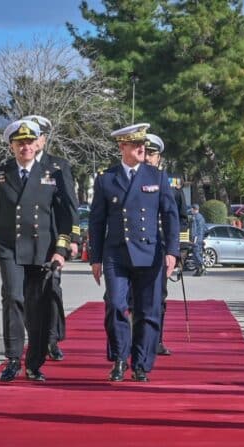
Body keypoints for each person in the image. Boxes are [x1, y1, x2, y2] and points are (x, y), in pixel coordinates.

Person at [0, 119, 75, 382]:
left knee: (39, 306)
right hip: (9, 247)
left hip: (42, 250)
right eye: (20, 143)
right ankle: (12, 359)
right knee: (13, 298)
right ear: (12, 147)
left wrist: (61, 249)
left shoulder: (52, 173)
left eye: (30, 142)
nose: (25, 148)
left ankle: (34, 362)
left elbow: (66, 215)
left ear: (37, 144)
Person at [88, 123, 179, 382]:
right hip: (116, 253)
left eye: (143, 145)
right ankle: (119, 358)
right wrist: (95, 258)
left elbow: (170, 215)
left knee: (148, 311)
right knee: (115, 306)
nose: (142, 149)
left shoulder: (156, 176)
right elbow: (96, 221)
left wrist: (172, 251)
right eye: (136, 144)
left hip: (150, 252)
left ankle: (141, 363)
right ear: (122, 147)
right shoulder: (107, 177)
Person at [21, 114, 80, 361]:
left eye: (38, 136)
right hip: (24, 243)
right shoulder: (19, 164)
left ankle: (52, 339)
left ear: (43, 140)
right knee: (28, 294)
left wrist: (72, 239)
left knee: (51, 290)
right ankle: (36, 338)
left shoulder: (58, 166)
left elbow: (70, 205)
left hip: (52, 240)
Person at [145, 133, 187, 356]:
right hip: (137, 245)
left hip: (161, 247)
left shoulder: (171, 185)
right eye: (145, 153)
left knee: (158, 296)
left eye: (152, 154)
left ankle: (157, 339)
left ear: (159, 157)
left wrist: (177, 250)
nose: (147, 158)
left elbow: (181, 219)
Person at [189, 203, 206, 276]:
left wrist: (194, 239)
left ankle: (202, 268)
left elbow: (194, 229)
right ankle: (199, 270)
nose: (191, 210)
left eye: (192, 209)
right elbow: (204, 229)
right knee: (197, 254)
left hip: (196, 239)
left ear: (194, 209)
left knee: (196, 254)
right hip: (200, 238)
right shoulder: (201, 217)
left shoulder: (195, 217)